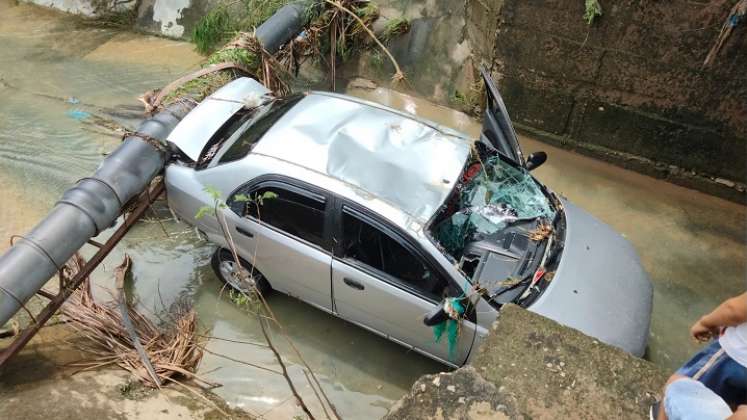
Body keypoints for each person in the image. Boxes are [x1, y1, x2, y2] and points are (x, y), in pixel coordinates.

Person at [655, 292, 747, 420]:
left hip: (734, 354)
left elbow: (734, 310)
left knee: (678, 385)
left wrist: (706, 322)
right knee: (736, 405)